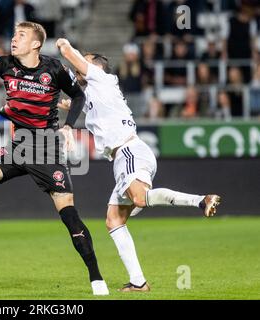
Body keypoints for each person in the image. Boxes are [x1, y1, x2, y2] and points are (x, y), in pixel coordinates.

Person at [0, 21, 109, 296]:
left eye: (21, 35)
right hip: (19, 146)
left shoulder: (53, 68)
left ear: (36, 44)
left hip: (46, 148)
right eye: (14, 34)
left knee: (69, 216)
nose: (14, 39)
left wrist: (68, 126)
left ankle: (97, 278)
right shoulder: (5, 65)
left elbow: (77, 96)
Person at [56, 38, 221, 292]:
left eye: (86, 63)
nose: (82, 67)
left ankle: (201, 200)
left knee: (140, 198)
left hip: (129, 151)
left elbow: (71, 56)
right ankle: (138, 282)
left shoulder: (102, 79)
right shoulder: (95, 94)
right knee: (114, 220)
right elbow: (82, 104)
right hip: (124, 156)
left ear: (97, 68)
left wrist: (64, 45)